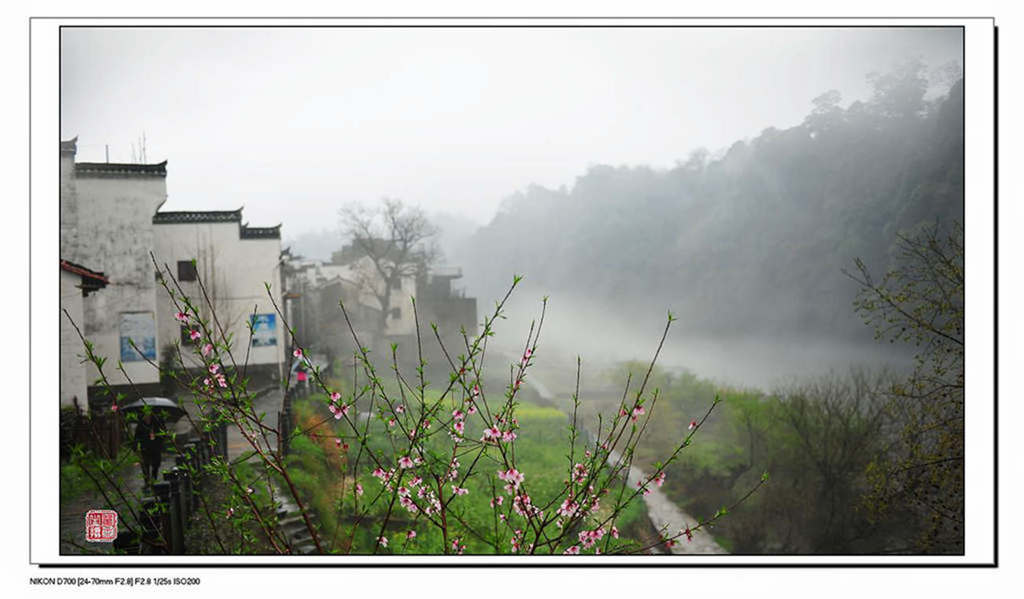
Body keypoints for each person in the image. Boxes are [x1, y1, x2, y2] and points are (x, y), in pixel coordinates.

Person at [134, 411, 165, 488]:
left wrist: (159, 439)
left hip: (156, 447)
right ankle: (147, 482)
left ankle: (154, 480)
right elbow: (136, 436)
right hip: (145, 448)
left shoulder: (157, 422)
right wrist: (135, 447)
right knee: (145, 465)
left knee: (156, 465)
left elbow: (163, 433)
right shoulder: (141, 424)